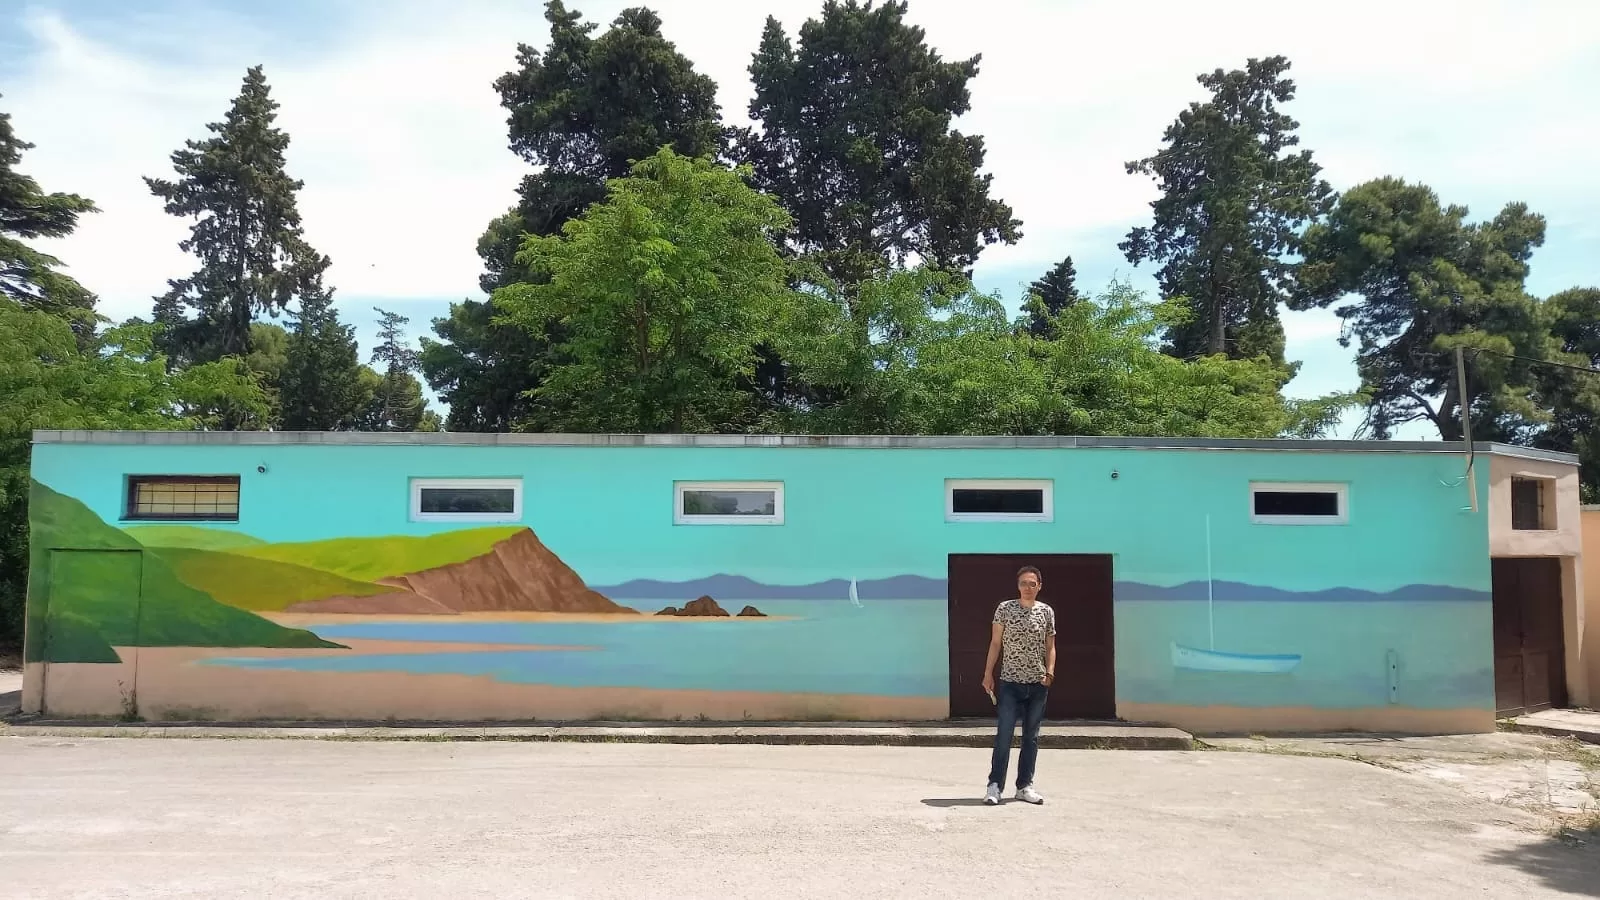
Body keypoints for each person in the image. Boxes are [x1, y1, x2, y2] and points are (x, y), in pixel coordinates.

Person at [980, 565, 1056, 805]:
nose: (1028, 588)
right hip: (1010, 682)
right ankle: (994, 786)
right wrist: (988, 673)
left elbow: (1050, 646)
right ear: (1018, 586)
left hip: (1037, 684)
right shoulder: (1005, 609)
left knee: (1031, 737)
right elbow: (995, 643)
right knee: (1004, 734)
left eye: (1033, 584)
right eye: (1024, 583)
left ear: (1039, 586)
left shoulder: (1046, 612)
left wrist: (1050, 673)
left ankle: (1024, 786)